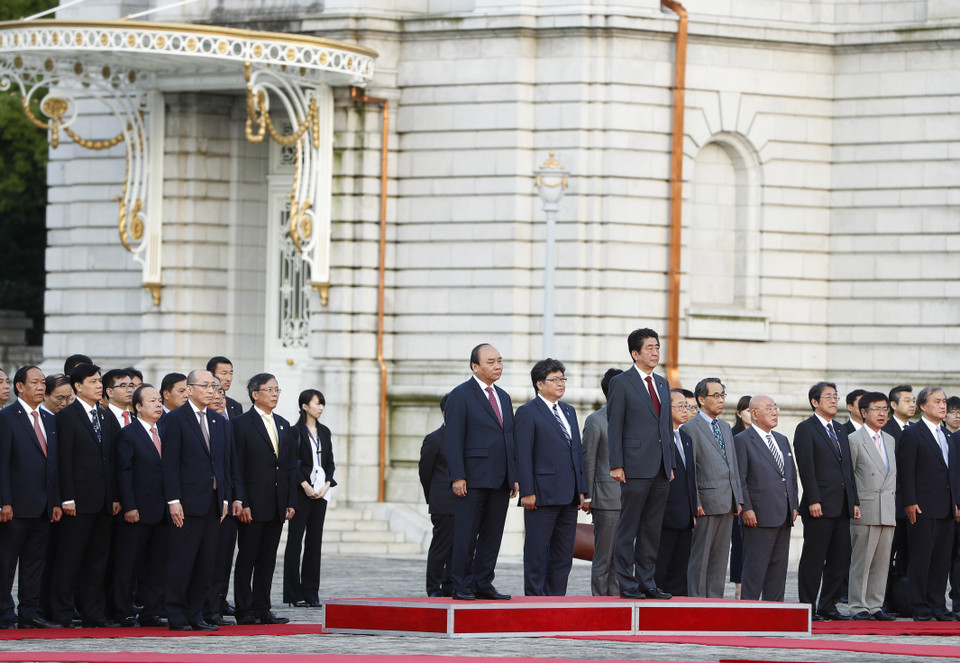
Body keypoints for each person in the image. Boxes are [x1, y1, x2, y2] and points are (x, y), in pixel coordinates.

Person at [445, 343, 518, 601]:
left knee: (492, 534)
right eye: (490, 361)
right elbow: (453, 439)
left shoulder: (504, 397)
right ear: (475, 366)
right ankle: (461, 584)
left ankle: (483, 582)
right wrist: (457, 475)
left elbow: (509, 438)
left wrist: (513, 475)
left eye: (499, 360)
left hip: (500, 478)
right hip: (472, 478)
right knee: (466, 534)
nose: (497, 365)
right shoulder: (460, 395)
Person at [161, 369, 232, 631]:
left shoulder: (219, 421)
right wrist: (173, 500)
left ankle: (196, 613)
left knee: (207, 561)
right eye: (205, 385)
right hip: (187, 501)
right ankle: (176, 614)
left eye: (213, 386)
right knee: (183, 559)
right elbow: (169, 463)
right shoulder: (176, 419)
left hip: (213, 502)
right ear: (189, 389)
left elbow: (224, 464)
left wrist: (224, 498)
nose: (211, 390)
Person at [607, 328, 673, 600]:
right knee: (629, 527)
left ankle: (647, 581)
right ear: (635, 353)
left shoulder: (662, 384)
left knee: (651, 528)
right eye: (649, 348)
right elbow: (615, 425)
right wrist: (616, 464)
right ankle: (627, 583)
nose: (655, 352)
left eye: (657, 347)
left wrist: (669, 464)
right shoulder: (622, 382)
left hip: (660, 468)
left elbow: (665, 427)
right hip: (633, 466)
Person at [515, 359, 585, 596]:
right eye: (554, 379)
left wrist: (582, 489)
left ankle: (557, 599)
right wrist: (527, 491)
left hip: (569, 494)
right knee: (537, 550)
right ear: (539, 384)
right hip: (541, 494)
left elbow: (577, 451)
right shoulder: (527, 412)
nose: (560, 384)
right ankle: (534, 599)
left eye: (562, 379)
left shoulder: (568, 410)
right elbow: (523, 455)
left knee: (563, 553)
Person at [231, 373, 296, 625]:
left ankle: (262, 607)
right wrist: (242, 501)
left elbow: (288, 467)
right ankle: (244, 610)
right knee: (247, 557)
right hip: (252, 504)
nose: (275, 394)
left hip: (277, 503)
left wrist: (290, 500)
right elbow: (237, 466)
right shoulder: (240, 424)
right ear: (254, 394)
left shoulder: (283, 424)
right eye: (269, 389)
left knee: (268, 559)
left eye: (277, 390)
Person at [0, 366, 61, 629]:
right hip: (15, 506)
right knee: (5, 564)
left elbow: (54, 465)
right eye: (34, 382)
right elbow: (2, 463)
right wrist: (4, 501)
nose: (40, 387)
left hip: (44, 505)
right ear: (19, 387)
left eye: (42, 383)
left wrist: (56, 500)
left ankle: (29, 613)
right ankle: (3, 612)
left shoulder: (49, 420)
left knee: (34, 564)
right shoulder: (7, 417)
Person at [794, 381, 859, 621]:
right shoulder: (806, 428)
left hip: (842, 505)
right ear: (815, 402)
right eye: (828, 396)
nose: (834, 400)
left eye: (835, 396)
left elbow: (847, 469)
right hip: (818, 505)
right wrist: (813, 499)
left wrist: (854, 501)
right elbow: (806, 467)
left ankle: (828, 605)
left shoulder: (841, 429)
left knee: (839, 558)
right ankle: (807, 608)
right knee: (814, 558)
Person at [897, 387, 959, 622]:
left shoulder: (947, 434)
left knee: (942, 561)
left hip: (946, 507)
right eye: (938, 402)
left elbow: (951, 473)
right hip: (921, 507)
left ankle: (937, 605)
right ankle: (920, 607)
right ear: (923, 406)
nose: (943, 406)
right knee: (921, 559)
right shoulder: (913, 434)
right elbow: (906, 471)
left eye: (944, 402)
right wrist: (910, 502)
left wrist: (956, 503)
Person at [113, 386, 168, 628]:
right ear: (138, 407)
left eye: (159, 400)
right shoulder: (129, 434)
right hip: (137, 510)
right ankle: (122, 611)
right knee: (128, 564)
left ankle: (151, 611)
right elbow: (123, 473)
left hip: (163, 511)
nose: (158, 405)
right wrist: (129, 506)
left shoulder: (166, 432)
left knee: (157, 564)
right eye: (152, 401)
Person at [735, 395, 798, 601]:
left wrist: (794, 504)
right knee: (755, 567)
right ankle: (749, 612)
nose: (774, 412)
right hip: (758, 514)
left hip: (784, 512)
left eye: (775, 408)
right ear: (754, 414)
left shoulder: (781, 439)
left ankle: (775, 612)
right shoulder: (743, 441)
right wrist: (746, 508)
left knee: (778, 569)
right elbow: (740, 478)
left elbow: (790, 474)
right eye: (768, 409)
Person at [684, 378, 742, 598]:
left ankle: (715, 602)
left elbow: (732, 465)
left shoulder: (725, 427)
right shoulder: (690, 428)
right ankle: (697, 602)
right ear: (701, 399)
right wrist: (695, 501)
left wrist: (738, 499)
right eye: (715, 396)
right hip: (705, 503)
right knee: (701, 557)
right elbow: (691, 470)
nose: (720, 400)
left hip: (727, 502)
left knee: (720, 558)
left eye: (722, 395)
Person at [847, 392, 897, 621]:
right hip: (865, 508)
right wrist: (854, 504)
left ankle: (876, 605)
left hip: (887, 508)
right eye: (876, 409)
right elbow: (850, 477)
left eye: (885, 409)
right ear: (864, 412)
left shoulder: (890, 440)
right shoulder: (854, 440)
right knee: (862, 561)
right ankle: (858, 606)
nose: (882, 413)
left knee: (882, 562)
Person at [284, 388, 336, 606]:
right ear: (304, 406)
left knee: (315, 543)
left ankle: (311, 592)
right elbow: (290, 463)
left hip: (321, 493)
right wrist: (304, 485)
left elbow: (330, 463)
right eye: (317, 403)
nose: (320, 407)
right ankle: (293, 594)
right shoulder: (294, 432)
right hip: (301, 492)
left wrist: (326, 485)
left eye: (322, 404)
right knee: (295, 543)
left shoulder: (325, 432)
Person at [581, 368, 623, 596]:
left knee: (623, 557)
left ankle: (617, 604)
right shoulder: (596, 420)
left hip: (630, 498)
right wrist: (587, 496)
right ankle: (599, 603)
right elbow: (588, 458)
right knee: (603, 557)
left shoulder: (634, 420)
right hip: (606, 498)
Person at [655, 388, 696, 597]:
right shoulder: (658, 437)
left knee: (680, 571)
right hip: (663, 515)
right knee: (660, 568)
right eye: (680, 406)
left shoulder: (686, 437)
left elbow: (690, 477)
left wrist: (693, 510)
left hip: (685, 515)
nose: (685, 410)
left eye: (686, 406)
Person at [418, 394, 453, 597]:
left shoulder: (467, 438)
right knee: (441, 547)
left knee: (459, 549)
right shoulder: (434, 439)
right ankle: (434, 588)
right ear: (444, 412)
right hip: (443, 503)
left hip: (465, 503)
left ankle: (451, 586)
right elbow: (425, 473)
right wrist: (434, 498)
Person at [729, 395, 751, 599]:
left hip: (755, 495)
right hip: (736, 495)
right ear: (738, 413)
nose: (750, 414)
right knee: (738, 541)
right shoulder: (732, 435)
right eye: (747, 410)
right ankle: (738, 585)